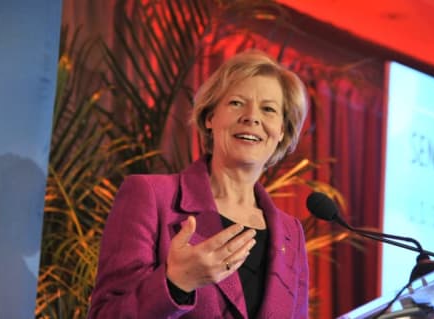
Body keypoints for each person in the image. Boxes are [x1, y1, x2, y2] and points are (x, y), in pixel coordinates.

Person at [88, 50, 309, 319]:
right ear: (209, 117)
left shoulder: (291, 234)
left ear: (282, 131)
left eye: (269, 109)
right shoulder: (151, 196)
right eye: (237, 103)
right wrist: (176, 283)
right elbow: (105, 314)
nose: (252, 117)